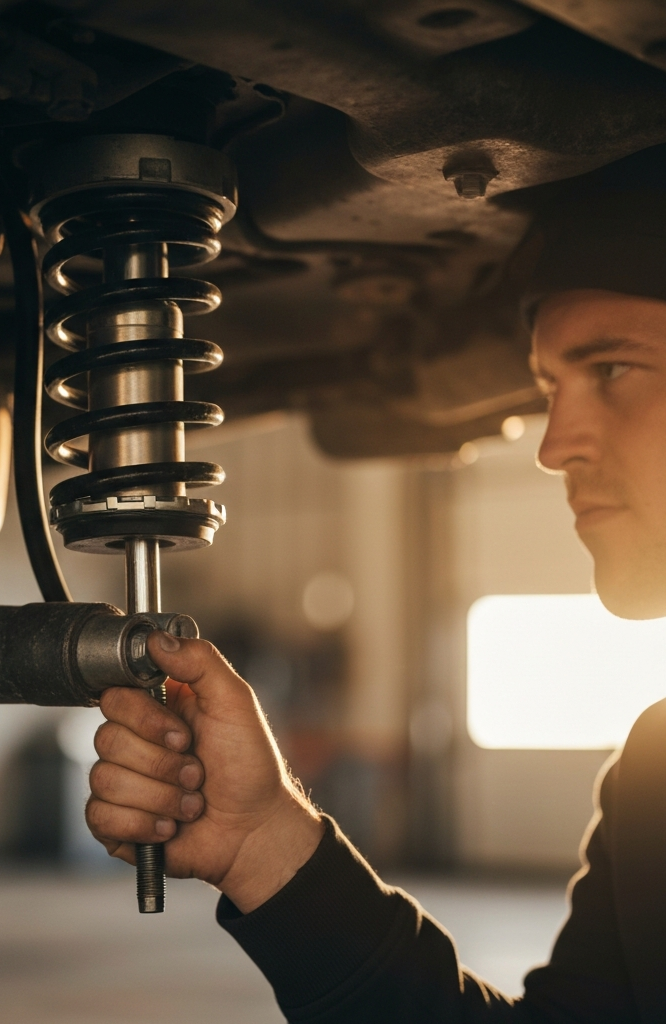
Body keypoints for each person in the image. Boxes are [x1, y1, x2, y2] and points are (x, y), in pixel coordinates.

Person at [84, 154, 666, 1021]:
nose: (553, 446)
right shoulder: (654, 774)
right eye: (548, 389)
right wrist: (261, 842)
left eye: (613, 369)